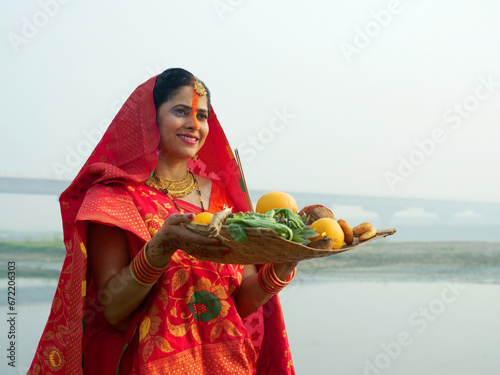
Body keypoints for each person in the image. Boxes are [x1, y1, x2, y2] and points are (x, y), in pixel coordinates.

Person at [28, 68, 298, 374]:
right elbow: (113, 311)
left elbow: (240, 302)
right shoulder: (114, 198)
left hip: (229, 363)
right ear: (149, 117)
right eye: (181, 111)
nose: (194, 125)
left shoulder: (222, 198)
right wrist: (162, 246)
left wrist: (283, 266)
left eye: (203, 115)